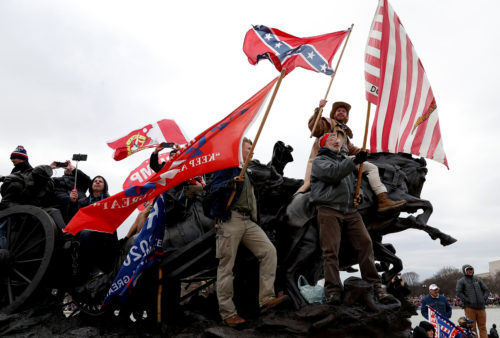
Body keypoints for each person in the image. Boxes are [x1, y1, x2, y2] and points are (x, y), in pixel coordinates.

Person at [209, 137, 287, 327]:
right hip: (230, 219)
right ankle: (228, 313)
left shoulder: (248, 171)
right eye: (248, 147)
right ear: (238, 149)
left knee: (269, 251)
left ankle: (266, 298)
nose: (252, 151)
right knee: (226, 268)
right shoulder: (227, 167)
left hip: (248, 221)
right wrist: (230, 183)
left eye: (252, 147)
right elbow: (213, 188)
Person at [309, 132, 388, 304]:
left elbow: (351, 184)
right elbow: (333, 174)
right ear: (323, 144)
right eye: (331, 139)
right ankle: (333, 290)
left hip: (350, 211)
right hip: (329, 209)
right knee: (330, 251)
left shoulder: (345, 161)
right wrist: (354, 160)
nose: (336, 141)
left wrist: (356, 195)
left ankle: (375, 286)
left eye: (337, 139)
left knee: (366, 244)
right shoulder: (320, 161)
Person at [297, 100, 406, 212]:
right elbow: (315, 128)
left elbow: (352, 150)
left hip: (343, 158)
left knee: (366, 165)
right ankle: (382, 199)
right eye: (338, 111)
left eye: (344, 111)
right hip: (329, 159)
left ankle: (374, 198)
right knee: (372, 168)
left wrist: (373, 151)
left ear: (347, 117)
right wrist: (319, 110)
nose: (341, 112)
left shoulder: (344, 133)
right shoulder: (327, 123)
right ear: (333, 114)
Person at [456, 264, 489, 338]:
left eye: (471, 269)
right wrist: (467, 300)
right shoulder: (461, 281)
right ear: (464, 271)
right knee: (472, 328)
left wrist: (483, 299)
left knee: (483, 327)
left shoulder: (478, 280)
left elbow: (486, 290)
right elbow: (459, 292)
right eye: (468, 270)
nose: (470, 271)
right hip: (469, 308)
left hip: (481, 307)